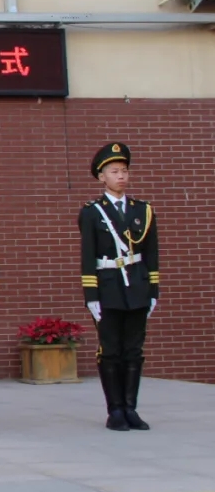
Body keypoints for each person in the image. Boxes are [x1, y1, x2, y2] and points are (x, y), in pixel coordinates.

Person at [79, 142, 159, 432]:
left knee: (133, 349)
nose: (121, 176)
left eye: (124, 170)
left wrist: (153, 290)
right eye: (114, 171)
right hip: (108, 286)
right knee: (111, 349)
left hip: (136, 285)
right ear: (102, 177)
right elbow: (88, 255)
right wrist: (91, 295)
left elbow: (151, 253)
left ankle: (130, 408)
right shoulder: (92, 212)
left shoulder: (143, 210)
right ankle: (114, 410)